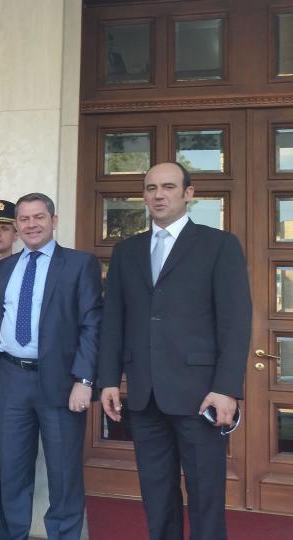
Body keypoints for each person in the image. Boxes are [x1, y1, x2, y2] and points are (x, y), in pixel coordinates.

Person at [98, 163, 251, 540]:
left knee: (205, 495)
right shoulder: (127, 251)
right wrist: (108, 380)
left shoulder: (219, 245)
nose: (159, 195)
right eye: (151, 188)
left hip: (200, 395)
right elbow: (114, 320)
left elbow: (235, 322)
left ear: (189, 193)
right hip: (144, 395)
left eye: (168, 187)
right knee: (157, 494)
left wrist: (227, 388)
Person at [0, 193, 102, 540]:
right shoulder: (5, 268)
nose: (31, 224)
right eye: (24, 219)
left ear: (54, 220)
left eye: (39, 217)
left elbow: (92, 324)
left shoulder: (79, 264)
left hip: (61, 383)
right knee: (11, 470)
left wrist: (84, 379)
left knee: (63, 474)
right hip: (10, 379)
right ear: (17, 226)